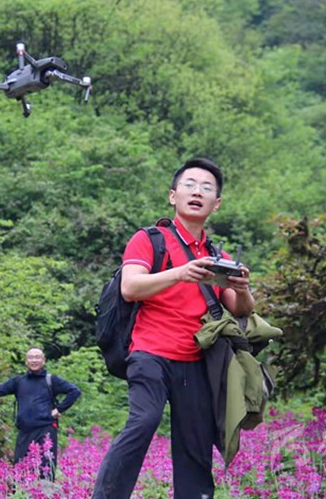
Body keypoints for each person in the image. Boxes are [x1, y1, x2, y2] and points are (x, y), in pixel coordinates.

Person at [92, 157, 255, 499]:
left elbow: (240, 310)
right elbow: (130, 287)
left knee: (196, 443)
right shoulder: (149, 239)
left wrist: (243, 289)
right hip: (149, 353)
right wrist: (181, 273)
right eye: (189, 185)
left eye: (207, 188)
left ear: (216, 203)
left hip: (195, 360)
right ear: (173, 196)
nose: (197, 192)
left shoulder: (215, 254)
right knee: (144, 421)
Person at [0, 347, 81, 480]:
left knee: (46, 470)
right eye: (31, 357)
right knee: (20, 470)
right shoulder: (18, 381)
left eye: (37, 357)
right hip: (25, 431)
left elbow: (74, 391)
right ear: (26, 361)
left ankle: (47, 491)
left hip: (46, 429)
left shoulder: (51, 380)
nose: (34, 360)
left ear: (43, 361)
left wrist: (59, 409)